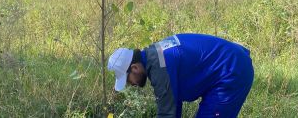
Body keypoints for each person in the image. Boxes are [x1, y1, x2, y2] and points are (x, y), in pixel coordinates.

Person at [108, 33, 254, 118]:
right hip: (230, 63)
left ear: (134, 68)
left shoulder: (160, 67)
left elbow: (167, 114)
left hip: (231, 71)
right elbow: (172, 104)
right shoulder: (155, 55)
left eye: (127, 79)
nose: (130, 84)